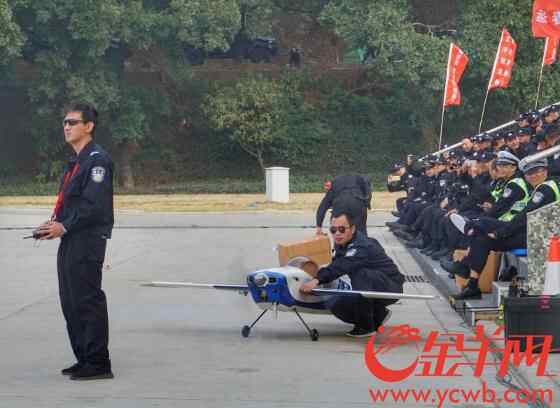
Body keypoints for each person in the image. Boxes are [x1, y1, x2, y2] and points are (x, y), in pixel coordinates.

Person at [33, 103, 114, 380]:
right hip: (71, 238)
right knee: (70, 300)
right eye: (65, 122)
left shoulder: (97, 160)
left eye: (73, 122)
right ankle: (84, 358)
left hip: (87, 240)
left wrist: (64, 226)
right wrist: (53, 225)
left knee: (87, 299)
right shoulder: (77, 161)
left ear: (89, 126)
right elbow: (72, 203)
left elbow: (94, 206)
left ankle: (99, 363)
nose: (66, 126)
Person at [446, 159, 559, 300]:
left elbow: (525, 215)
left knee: (483, 223)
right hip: (532, 232)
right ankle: (472, 286)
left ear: (545, 171)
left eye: (537, 172)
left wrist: (501, 232)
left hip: (541, 237)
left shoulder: (546, 189)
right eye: (529, 173)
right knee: (482, 239)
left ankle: (468, 241)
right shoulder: (540, 187)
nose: (533, 176)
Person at [301, 209, 404, 337]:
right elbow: (336, 265)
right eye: (333, 230)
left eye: (342, 229)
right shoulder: (344, 242)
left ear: (353, 229)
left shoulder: (361, 246)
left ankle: (366, 326)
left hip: (390, 287)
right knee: (336, 304)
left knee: (360, 275)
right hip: (376, 283)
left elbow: (342, 266)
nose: (337, 233)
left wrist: (317, 279)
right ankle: (379, 314)